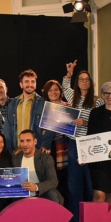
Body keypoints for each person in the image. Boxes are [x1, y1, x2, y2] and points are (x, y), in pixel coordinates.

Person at [62, 61, 104, 222]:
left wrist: (86, 122)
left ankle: (92, 220)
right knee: (74, 183)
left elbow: (101, 123)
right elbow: (65, 86)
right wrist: (69, 72)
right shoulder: (73, 98)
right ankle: (76, 221)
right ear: (77, 82)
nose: (84, 82)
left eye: (87, 79)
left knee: (92, 182)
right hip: (74, 144)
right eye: (81, 79)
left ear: (91, 82)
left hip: (91, 144)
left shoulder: (97, 101)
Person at [12, 129, 64, 222]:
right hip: (22, 196)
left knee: (53, 193)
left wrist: (36, 187)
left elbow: (53, 181)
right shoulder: (15, 158)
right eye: (22, 141)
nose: (25, 144)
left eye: (28, 141)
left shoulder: (46, 158)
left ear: (35, 141)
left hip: (41, 194)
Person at [4, 69, 54, 154]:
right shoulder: (12, 104)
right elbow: (7, 129)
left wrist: (44, 145)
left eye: (32, 82)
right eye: (26, 81)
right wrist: (10, 150)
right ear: (21, 84)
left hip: (36, 151)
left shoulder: (44, 104)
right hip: (17, 151)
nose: (30, 84)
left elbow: (50, 128)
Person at [42, 80, 69, 208]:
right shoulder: (42, 108)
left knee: (66, 183)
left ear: (60, 91)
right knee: (53, 183)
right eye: (50, 90)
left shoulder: (68, 106)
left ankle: (67, 215)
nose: (53, 92)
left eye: (56, 89)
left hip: (65, 148)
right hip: (49, 149)